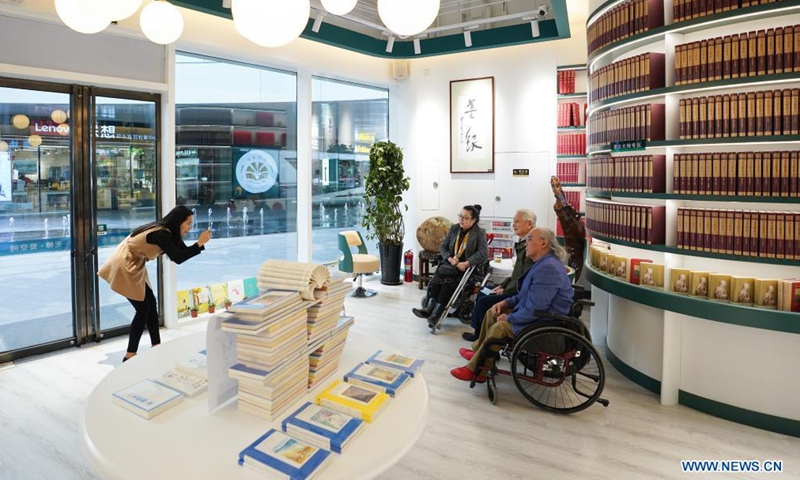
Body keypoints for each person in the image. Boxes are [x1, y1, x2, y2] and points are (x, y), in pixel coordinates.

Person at [450, 228, 573, 382]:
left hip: (544, 322)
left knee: (499, 327)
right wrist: (505, 303)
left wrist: (510, 318)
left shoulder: (548, 268)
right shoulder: (543, 263)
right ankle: (479, 353)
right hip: (538, 315)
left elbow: (536, 308)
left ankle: (477, 370)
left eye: (529, 239)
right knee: (492, 311)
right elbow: (524, 295)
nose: (525, 243)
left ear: (543, 242)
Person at [98, 206, 212, 362]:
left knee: (151, 303)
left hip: (134, 264)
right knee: (143, 308)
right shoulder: (162, 234)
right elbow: (177, 258)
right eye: (188, 223)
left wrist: (199, 244)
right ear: (178, 222)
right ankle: (130, 355)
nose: (189, 227)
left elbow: (182, 253)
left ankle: (156, 346)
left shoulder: (168, 232)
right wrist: (199, 243)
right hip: (125, 265)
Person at [462, 208, 537, 342]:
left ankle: (480, 337)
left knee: (484, 300)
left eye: (517, 222)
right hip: (512, 288)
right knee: (483, 291)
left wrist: (505, 289)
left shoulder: (531, 247)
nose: (513, 224)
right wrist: (502, 285)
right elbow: (516, 275)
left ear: (529, 224)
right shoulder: (523, 243)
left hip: (517, 293)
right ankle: (478, 331)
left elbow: (523, 279)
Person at [412, 205, 488, 326]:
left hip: (464, 268)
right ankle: (429, 310)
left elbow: (483, 253)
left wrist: (466, 263)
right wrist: (449, 258)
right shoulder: (454, 229)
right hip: (449, 263)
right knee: (436, 281)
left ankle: (436, 315)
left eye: (465, 217)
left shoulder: (479, 233)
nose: (461, 219)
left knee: (447, 284)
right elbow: (443, 247)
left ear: (473, 220)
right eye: (460, 216)